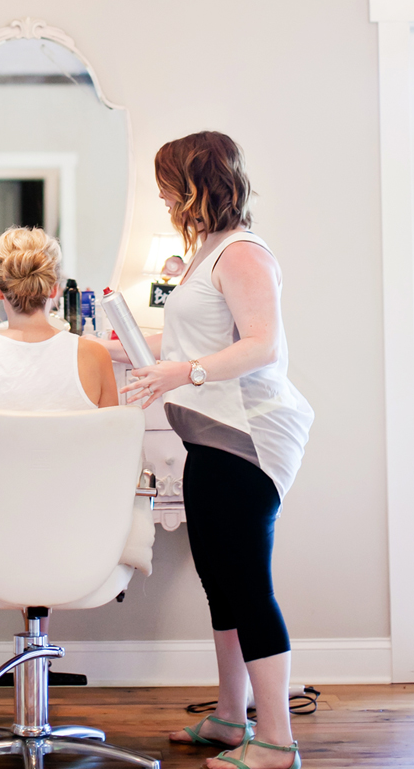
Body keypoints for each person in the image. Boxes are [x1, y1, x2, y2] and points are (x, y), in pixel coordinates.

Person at [121, 130, 314, 769]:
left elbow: (262, 345)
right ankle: (233, 718)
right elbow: (204, 335)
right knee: (220, 586)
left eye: (167, 185)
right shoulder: (208, 253)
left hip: (247, 441)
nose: (162, 197)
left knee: (248, 588)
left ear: (195, 184)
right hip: (210, 440)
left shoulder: (242, 253)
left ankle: (278, 740)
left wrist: (183, 373)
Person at [0, 226, 120, 637]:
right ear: (54, 289)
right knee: (51, 494)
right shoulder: (92, 356)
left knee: (5, 493)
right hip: (79, 537)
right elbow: (110, 463)